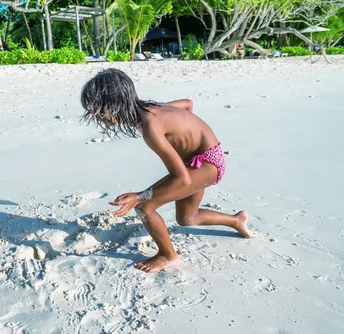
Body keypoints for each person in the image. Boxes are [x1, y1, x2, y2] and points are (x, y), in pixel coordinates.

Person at [80, 69, 253, 273]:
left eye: (99, 109)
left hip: (207, 163)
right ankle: (237, 220)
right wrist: (188, 139)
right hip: (202, 158)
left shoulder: (150, 128)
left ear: (116, 104)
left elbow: (183, 179)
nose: (96, 115)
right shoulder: (150, 107)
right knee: (188, 218)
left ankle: (168, 256)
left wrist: (139, 196)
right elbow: (187, 104)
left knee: (145, 206)